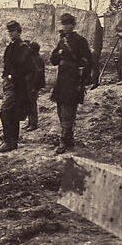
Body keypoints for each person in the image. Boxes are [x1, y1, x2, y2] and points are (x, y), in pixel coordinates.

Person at [49, 13, 93, 154]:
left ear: (73, 25)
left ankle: (64, 140)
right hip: (62, 80)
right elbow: (53, 60)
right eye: (64, 24)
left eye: (68, 23)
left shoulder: (80, 41)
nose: (66, 26)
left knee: (68, 111)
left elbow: (89, 61)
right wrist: (60, 52)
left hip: (73, 80)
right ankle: (68, 137)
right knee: (60, 110)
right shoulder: (62, 41)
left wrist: (83, 78)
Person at [0, 20, 32, 153]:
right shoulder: (11, 46)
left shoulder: (23, 47)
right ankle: (12, 142)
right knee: (12, 112)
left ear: (19, 31)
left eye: (13, 31)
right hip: (9, 83)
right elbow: (7, 64)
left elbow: (27, 68)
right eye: (9, 31)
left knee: (5, 110)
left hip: (17, 85)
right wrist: (5, 77)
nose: (11, 33)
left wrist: (12, 77)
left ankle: (8, 141)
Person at [23, 40, 45, 131]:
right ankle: (30, 123)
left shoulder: (38, 59)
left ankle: (33, 124)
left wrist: (35, 87)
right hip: (29, 84)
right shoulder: (32, 58)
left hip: (33, 85)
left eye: (30, 48)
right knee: (29, 103)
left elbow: (38, 74)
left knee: (32, 104)